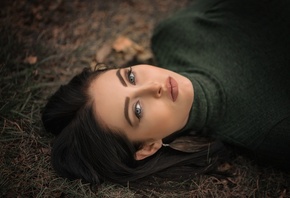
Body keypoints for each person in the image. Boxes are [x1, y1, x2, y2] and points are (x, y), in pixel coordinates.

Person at [42, 0, 290, 185]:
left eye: (130, 76)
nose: (154, 87)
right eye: (137, 110)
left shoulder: (173, 34)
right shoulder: (274, 131)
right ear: (148, 147)